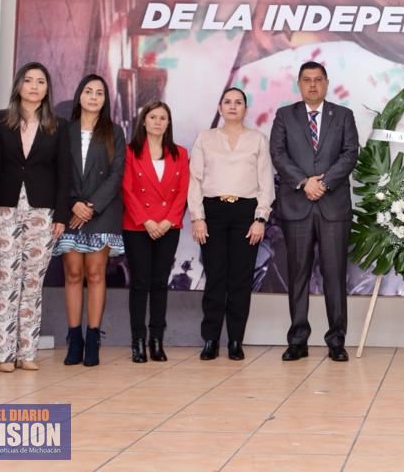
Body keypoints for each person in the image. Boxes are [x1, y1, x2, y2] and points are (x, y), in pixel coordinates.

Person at [271, 62, 359, 362]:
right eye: (307, 80)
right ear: (299, 84)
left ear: (326, 83)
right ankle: (297, 340)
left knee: (335, 276)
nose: (312, 85)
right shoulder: (285, 115)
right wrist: (303, 182)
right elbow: (278, 154)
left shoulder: (343, 115)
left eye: (318, 80)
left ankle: (336, 340)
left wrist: (325, 183)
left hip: (333, 207)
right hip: (297, 206)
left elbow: (350, 153)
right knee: (298, 276)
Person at [0, 62, 70, 373]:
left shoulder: (57, 126)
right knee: (5, 281)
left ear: (48, 89)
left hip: (42, 211)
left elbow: (64, 174)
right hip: (4, 208)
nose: (34, 86)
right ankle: (4, 354)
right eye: (28, 80)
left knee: (32, 283)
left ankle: (27, 352)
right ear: (18, 86)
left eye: (40, 82)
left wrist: (61, 215)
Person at [189, 87, 274, 361]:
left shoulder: (258, 140)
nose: (233, 106)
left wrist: (260, 218)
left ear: (245, 108)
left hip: (245, 213)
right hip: (213, 212)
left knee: (240, 279)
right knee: (215, 278)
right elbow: (195, 181)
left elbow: (266, 184)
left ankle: (236, 340)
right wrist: (198, 218)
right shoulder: (205, 139)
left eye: (238, 102)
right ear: (220, 107)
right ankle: (211, 339)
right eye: (228, 102)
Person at [54, 74, 126, 367]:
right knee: (73, 274)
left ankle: (93, 336)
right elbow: (58, 172)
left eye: (99, 92)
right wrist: (74, 204)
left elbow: (116, 174)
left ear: (105, 99)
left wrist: (91, 206)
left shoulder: (114, 132)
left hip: (102, 212)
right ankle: (74, 337)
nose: (93, 96)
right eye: (88, 91)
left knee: (96, 274)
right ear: (79, 96)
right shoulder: (63, 130)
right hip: (70, 211)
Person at [122, 101, 189, 363]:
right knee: (140, 283)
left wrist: (167, 221)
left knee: (160, 283)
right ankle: (137, 341)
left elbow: (182, 192)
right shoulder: (130, 152)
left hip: (168, 227)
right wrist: (146, 220)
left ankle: (156, 340)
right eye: (153, 117)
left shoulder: (180, 154)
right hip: (138, 226)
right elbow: (126, 189)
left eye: (163, 118)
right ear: (144, 121)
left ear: (168, 123)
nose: (158, 122)